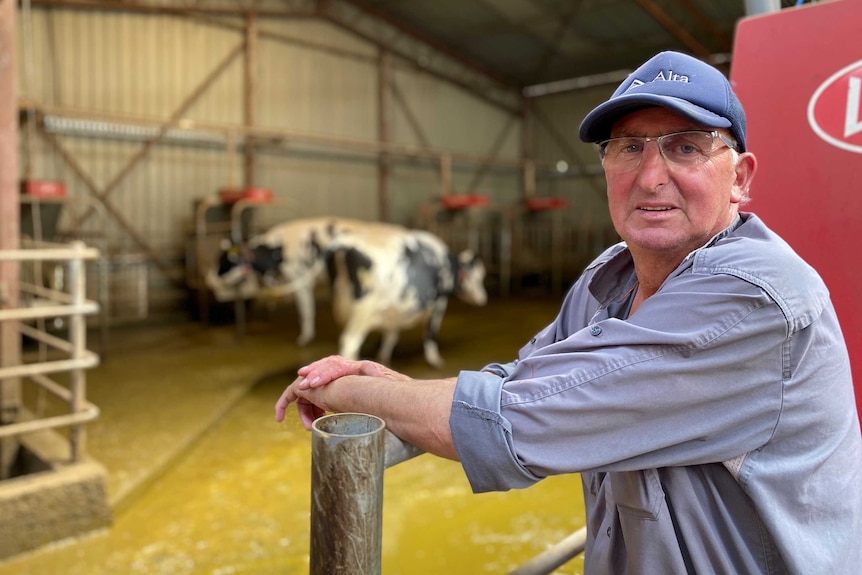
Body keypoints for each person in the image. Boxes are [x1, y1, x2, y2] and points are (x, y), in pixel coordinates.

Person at [274, 51, 862, 574]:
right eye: (629, 147)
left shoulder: (754, 299)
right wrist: (402, 386)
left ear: (741, 178)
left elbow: (513, 423)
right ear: (606, 168)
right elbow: (523, 378)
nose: (652, 175)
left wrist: (349, 391)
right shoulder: (611, 276)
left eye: (685, 147)